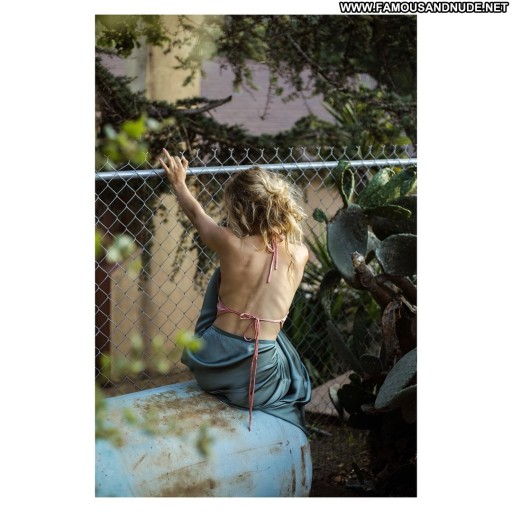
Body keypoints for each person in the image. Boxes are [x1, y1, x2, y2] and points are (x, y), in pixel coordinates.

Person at [159, 149, 312, 434]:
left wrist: (179, 183)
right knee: (291, 366)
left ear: (240, 210)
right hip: (257, 384)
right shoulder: (300, 254)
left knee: (221, 275)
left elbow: (196, 214)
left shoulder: (230, 243)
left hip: (209, 366)